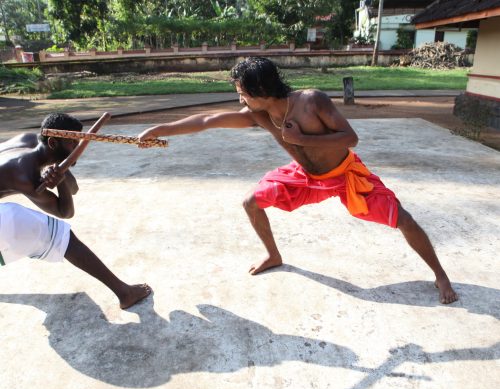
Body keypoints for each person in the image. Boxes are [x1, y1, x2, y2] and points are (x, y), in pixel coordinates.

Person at [138, 57, 457, 304]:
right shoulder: (259, 115)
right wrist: (160, 130)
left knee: (405, 219)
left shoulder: (311, 101)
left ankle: (440, 275)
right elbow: (208, 121)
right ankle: (273, 255)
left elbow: (351, 138)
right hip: (305, 177)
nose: (240, 101)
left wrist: (302, 139)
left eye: (242, 93)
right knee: (251, 202)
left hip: (345, 174)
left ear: (260, 91)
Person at [0, 113, 151, 309]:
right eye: (73, 143)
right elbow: (65, 212)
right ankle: (124, 293)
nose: (79, 148)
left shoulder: (33, 140)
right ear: (54, 142)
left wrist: (60, 174)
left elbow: (74, 189)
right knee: (63, 236)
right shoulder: (23, 174)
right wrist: (60, 180)